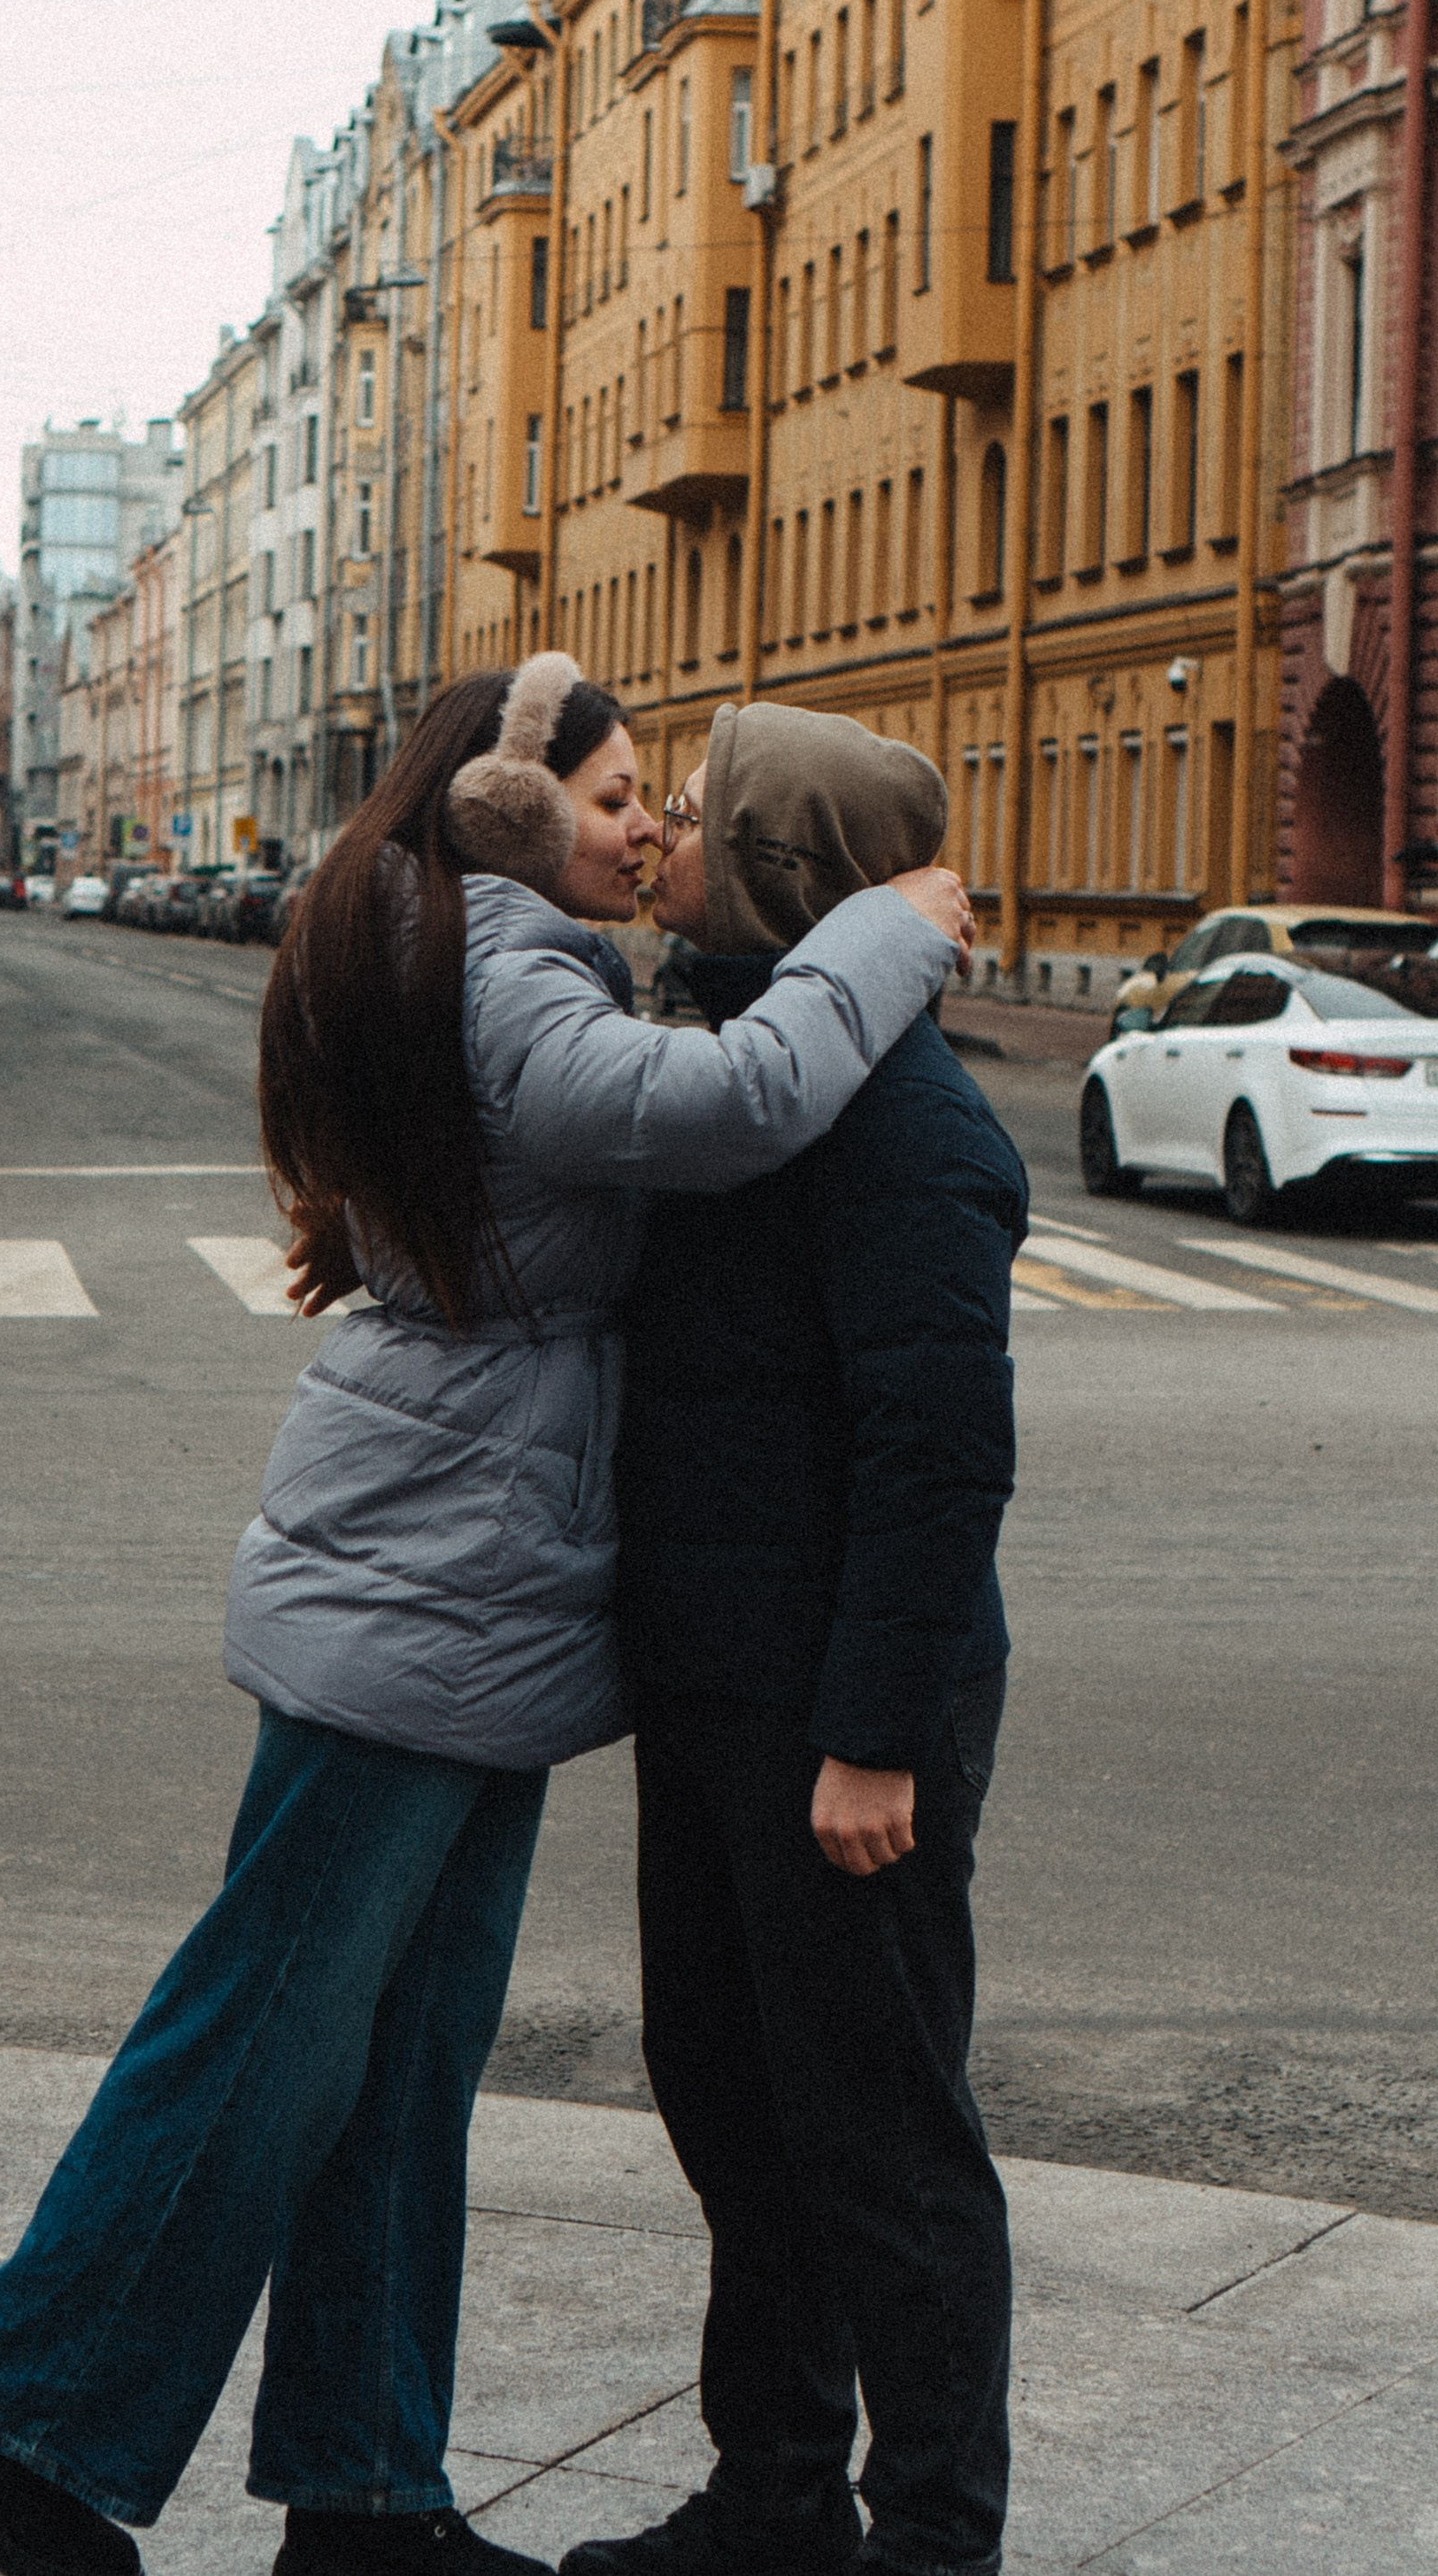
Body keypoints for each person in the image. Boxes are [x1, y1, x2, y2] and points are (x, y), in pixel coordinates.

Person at [0, 658, 973, 2576]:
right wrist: (886, 931)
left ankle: (366, 2490)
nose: (644, 822)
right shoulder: (505, 959)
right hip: (427, 1566)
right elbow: (738, 1097)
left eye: (665, 795)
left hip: (477, 1576)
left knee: (394, 2047)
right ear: (498, 804)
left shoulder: (481, 942)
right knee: (273, 2022)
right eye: (617, 789)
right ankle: (15, 2415)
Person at [562, 705, 1027, 2576]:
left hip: (842, 1711)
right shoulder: (750, 1059)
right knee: (733, 2104)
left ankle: (928, 2538)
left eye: (693, 810)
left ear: (775, 860)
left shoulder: (908, 1118)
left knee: (882, 2145)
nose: (660, 832)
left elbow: (938, 1453)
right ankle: (771, 2499)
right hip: (720, 1686)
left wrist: (875, 1731)